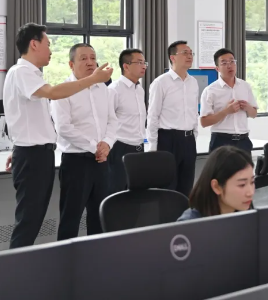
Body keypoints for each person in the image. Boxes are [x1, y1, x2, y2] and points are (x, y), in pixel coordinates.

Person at [3, 23, 112, 249]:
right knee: (29, 222)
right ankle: (15, 268)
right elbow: (53, 94)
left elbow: (27, 119)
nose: (51, 50)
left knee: (33, 219)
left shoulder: (31, 74)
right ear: (34, 44)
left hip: (36, 153)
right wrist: (93, 79)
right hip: (34, 156)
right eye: (48, 44)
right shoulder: (22, 71)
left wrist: (19, 147)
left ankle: (20, 266)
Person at [51, 43, 117, 238]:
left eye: (93, 58)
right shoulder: (62, 90)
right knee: (70, 218)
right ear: (71, 64)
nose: (90, 62)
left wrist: (107, 143)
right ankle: (66, 256)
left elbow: (113, 121)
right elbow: (63, 127)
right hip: (76, 162)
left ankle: (97, 255)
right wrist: (94, 147)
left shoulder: (104, 89)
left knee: (100, 217)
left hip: (102, 162)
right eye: (84, 58)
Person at [147, 40, 199, 196]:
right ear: (172, 57)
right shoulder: (161, 83)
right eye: (185, 53)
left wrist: (194, 135)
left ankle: (184, 213)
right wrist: (153, 146)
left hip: (189, 141)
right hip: (168, 140)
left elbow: (193, 112)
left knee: (186, 187)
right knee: (167, 188)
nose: (189, 56)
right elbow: (153, 115)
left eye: (191, 53)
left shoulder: (193, 82)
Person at [200, 48, 258, 154]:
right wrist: (226, 111)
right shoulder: (210, 90)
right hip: (221, 140)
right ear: (217, 68)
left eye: (232, 61)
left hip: (243, 140)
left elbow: (254, 114)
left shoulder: (245, 86)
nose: (229, 65)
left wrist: (248, 107)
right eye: (224, 63)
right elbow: (204, 122)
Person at [107, 49, 148, 193]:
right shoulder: (114, 90)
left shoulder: (139, 89)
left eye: (144, 63)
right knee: (117, 192)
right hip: (119, 147)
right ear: (126, 66)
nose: (144, 66)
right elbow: (106, 121)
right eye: (139, 62)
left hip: (139, 147)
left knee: (137, 192)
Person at [178, 146, 255, 221]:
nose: (250, 192)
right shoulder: (190, 224)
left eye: (252, 182)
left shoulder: (249, 217)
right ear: (216, 187)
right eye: (242, 185)